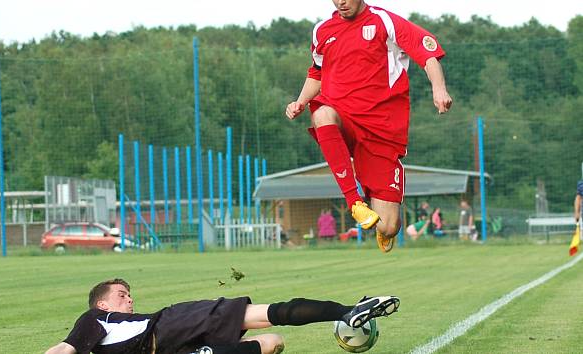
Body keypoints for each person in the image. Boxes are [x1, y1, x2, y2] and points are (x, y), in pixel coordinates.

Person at [285, 0, 453, 253]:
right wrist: (300, 101)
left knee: (388, 226)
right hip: (341, 115)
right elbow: (317, 71)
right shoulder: (322, 30)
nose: (340, 1)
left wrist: (439, 89)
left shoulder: (385, 21)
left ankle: (379, 217)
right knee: (321, 115)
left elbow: (427, 54)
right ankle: (354, 202)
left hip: (381, 131)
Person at [45, 279, 400, 354]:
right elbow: (62, 351)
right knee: (271, 343)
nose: (130, 298)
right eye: (121, 295)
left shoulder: (121, 325)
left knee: (264, 315)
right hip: (174, 345)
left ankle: (347, 311)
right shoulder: (93, 319)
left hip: (170, 324)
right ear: (101, 306)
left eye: (129, 293)